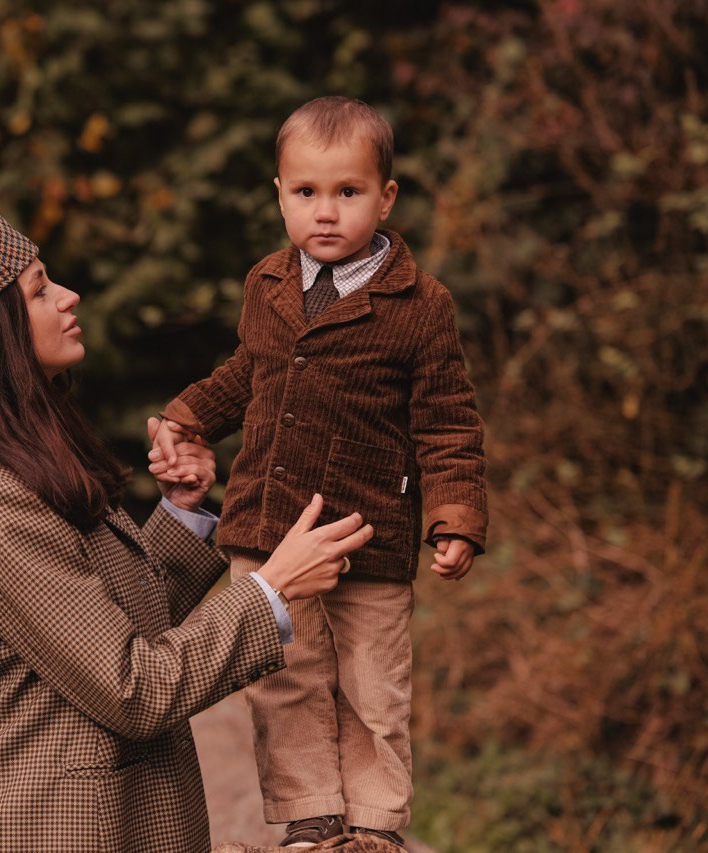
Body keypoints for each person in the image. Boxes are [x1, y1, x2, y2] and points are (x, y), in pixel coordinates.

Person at [0, 210, 374, 852]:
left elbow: (110, 625)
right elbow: (134, 686)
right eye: (39, 290)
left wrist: (183, 512)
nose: (68, 296)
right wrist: (272, 589)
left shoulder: (26, 464)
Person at [151, 96, 489, 848]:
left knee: (373, 684)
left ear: (386, 197)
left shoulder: (420, 304)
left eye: (348, 191)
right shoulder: (267, 284)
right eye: (306, 192)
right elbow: (248, 371)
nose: (325, 212)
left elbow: (448, 422)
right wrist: (189, 415)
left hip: (368, 531)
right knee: (285, 674)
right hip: (270, 525)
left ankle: (373, 823)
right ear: (279, 195)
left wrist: (456, 515)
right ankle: (311, 812)